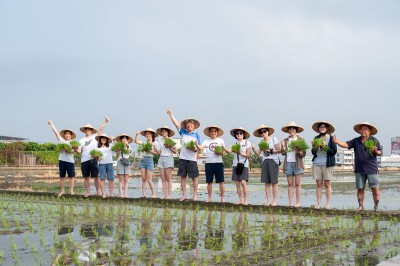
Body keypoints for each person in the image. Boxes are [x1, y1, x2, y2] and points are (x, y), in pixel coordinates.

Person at [333, 122, 382, 211]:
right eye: (362, 129)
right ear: (359, 131)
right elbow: (346, 145)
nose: (363, 131)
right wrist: (336, 141)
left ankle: (376, 206)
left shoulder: (374, 140)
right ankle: (360, 206)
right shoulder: (356, 140)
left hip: (372, 169)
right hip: (359, 169)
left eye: (365, 129)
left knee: (375, 188)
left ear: (370, 131)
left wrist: (375, 151)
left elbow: (380, 152)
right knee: (360, 188)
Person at [167, 109, 202, 201]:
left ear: (194, 126)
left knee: (194, 178)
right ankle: (184, 195)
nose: (189, 125)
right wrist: (171, 115)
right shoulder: (183, 132)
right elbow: (176, 124)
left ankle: (195, 195)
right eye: (188, 124)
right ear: (186, 126)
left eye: (191, 124)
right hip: (183, 158)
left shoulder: (197, 135)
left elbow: (200, 147)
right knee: (183, 177)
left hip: (192, 159)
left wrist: (195, 147)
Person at [195, 125, 229, 203]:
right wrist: (196, 144)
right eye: (212, 131)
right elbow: (200, 148)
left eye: (215, 131)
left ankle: (222, 198)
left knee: (221, 182)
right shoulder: (206, 141)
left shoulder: (221, 141)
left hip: (218, 163)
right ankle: (209, 198)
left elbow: (225, 151)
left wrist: (221, 152)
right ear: (209, 133)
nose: (213, 133)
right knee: (209, 182)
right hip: (209, 163)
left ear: (217, 133)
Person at [78, 117, 109, 197]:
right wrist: (74, 148)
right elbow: (79, 151)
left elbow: (100, 129)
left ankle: (98, 192)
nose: (87, 130)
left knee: (96, 177)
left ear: (91, 131)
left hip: (93, 159)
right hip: (84, 160)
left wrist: (105, 121)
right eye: (86, 129)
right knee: (86, 177)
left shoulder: (94, 137)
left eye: (89, 129)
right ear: (84, 131)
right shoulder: (81, 141)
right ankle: (88, 192)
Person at [251, 124, 281, 206]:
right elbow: (258, 154)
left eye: (265, 131)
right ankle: (268, 201)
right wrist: (253, 148)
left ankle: (274, 201)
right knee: (266, 182)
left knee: (274, 182)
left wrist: (270, 150)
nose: (263, 133)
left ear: (268, 132)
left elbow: (279, 150)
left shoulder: (274, 139)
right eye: (261, 132)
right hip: (265, 161)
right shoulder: (262, 142)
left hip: (273, 161)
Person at [310, 121, 337, 209]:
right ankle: (318, 203)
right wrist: (315, 146)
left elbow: (333, 152)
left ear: (327, 128)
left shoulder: (331, 138)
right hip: (317, 163)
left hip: (327, 163)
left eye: (324, 127)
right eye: (320, 127)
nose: (322, 129)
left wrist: (325, 146)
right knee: (318, 184)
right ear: (318, 129)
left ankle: (328, 204)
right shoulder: (316, 138)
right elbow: (313, 152)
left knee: (327, 184)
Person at [48, 120, 78, 197]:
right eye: (66, 134)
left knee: (71, 176)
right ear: (64, 135)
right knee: (62, 176)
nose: (67, 135)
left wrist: (68, 150)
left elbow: (74, 151)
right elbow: (56, 132)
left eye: (69, 134)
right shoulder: (61, 141)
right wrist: (51, 124)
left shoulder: (73, 143)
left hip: (70, 161)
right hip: (62, 160)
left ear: (71, 136)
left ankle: (71, 190)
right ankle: (62, 190)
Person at [280, 121, 306, 208]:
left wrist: (298, 150)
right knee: (290, 184)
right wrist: (283, 146)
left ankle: (298, 202)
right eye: (290, 129)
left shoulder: (300, 140)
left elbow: (303, 154)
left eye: (293, 129)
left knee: (298, 183)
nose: (292, 130)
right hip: (288, 163)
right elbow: (283, 153)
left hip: (297, 163)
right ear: (288, 130)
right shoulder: (285, 140)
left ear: (296, 130)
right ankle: (290, 202)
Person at [230, 127, 251, 205]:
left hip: (244, 164)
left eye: (240, 133)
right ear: (235, 135)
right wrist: (223, 148)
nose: (239, 135)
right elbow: (229, 150)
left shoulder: (246, 143)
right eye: (237, 133)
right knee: (237, 183)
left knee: (243, 182)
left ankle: (245, 200)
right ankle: (240, 200)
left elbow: (248, 154)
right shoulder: (234, 144)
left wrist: (240, 153)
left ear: (243, 135)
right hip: (235, 164)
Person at [135, 128, 159, 198]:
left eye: (149, 134)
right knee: (143, 179)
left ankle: (153, 194)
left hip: (150, 160)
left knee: (149, 179)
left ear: (152, 135)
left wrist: (150, 151)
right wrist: (136, 135)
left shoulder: (155, 143)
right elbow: (136, 141)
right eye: (146, 134)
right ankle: (144, 195)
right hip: (143, 160)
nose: (147, 135)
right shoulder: (144, 142)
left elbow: (157, 153)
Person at [156, 126, 177, 199]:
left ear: (168, 132)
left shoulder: (171, 140)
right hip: (161, 158)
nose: (164, 132)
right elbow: (159, 152)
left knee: (169, 177)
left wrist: (169, 146)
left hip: (169, 158)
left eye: (165, 131)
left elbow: (175, 151)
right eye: (162, 131)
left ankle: (169, 195)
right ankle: (164, 194)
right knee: (163, 178)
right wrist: (155, 147)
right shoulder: (160, 140)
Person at [95, 133, 115, 198]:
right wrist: (96, 157)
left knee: (111, 179)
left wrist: (114, 140)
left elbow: (118, 147)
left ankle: (111, 193)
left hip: (110, 163)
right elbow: (96, 158)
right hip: (101, 164)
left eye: (105, 138)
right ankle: (103, 193)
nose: (103, 139)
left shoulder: (110, 146)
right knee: (102, 178)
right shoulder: (97, 147)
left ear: (107, 139)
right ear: (100, 139)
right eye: (102, 138)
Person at [114, 134, 133, 198]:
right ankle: (121, 194)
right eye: (123, 138)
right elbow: (117, 155)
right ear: (121, 140)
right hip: (120, 162)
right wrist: (118, 148)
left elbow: (128, 152)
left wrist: (126, 146)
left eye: (125, 138)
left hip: (127, 162)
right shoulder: (118, 146)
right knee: (120, 180)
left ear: (127, 140)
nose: (124, 139)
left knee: (126, 180)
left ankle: (125, 194)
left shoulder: (129, 146)